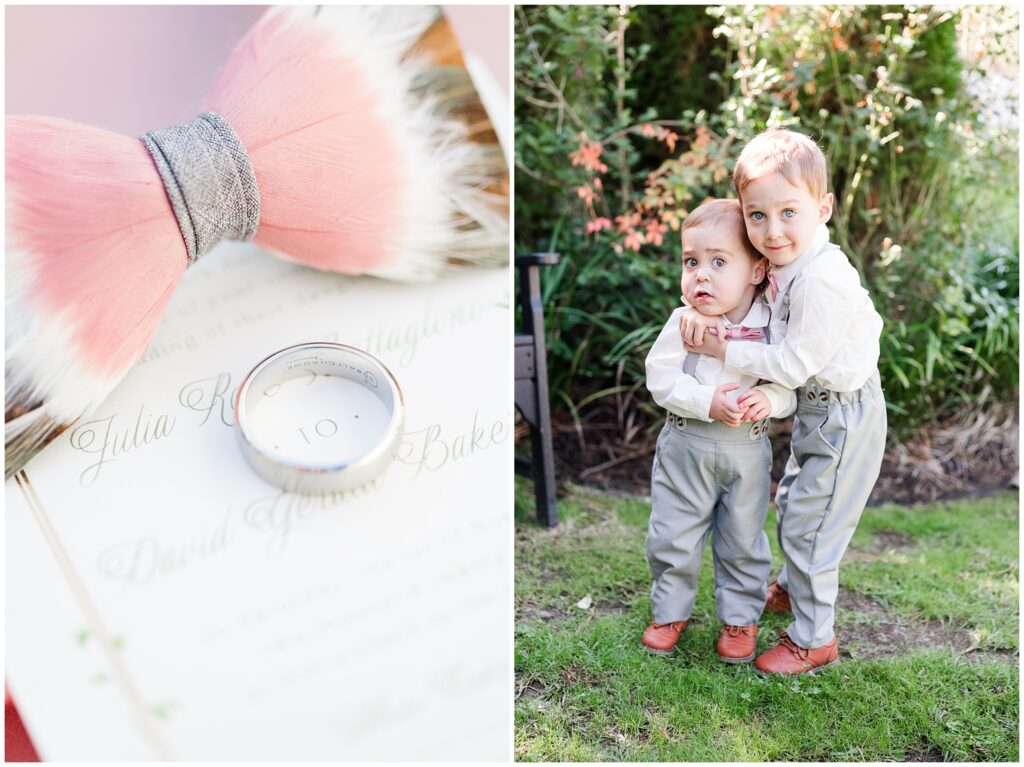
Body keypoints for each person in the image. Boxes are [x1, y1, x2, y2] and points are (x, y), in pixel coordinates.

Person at [679, 128, 887, 676]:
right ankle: (795, 590)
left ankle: (814, 639)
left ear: (823, 209)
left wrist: (725, 345)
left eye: (788, 212)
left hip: (844, 413)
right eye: (757, 216)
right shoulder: (789, 267)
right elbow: (772, 336)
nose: (771, 232)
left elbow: (791, 363)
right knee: (797, 502)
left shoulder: (821, 280)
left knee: (812, 526)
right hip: (818, 411)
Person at [643, 198, 795, 664]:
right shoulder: (682, 321)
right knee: (673, 532)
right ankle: (670, 612)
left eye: (717, 262)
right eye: (691, 262)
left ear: (756, 270)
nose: (700, 275)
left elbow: (788, 383)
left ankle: (740, 619)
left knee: (743, 538)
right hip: (685, 444)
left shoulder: (771, 326)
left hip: (745, 452)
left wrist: (769, 399)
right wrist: (706, 401)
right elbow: (661, 377)